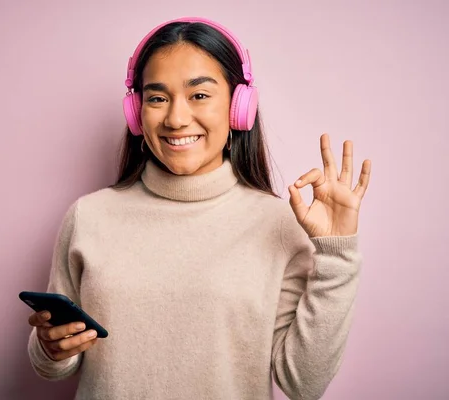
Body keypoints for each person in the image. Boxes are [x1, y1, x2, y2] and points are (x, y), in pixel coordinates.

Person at [26, 16, 372, 400]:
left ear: (239, 108)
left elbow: (303, 384)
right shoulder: (89, 216)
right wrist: (50, 347)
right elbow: (51, 363)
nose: (175, 119)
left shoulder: (278, 224)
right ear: (136, 113)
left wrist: (336, 254)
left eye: (200, 95)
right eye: (157, 98)